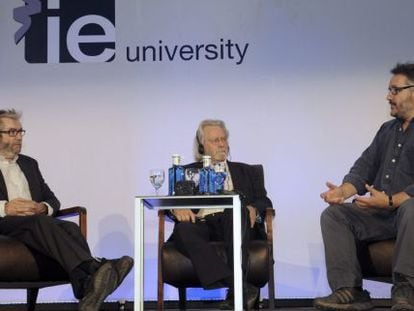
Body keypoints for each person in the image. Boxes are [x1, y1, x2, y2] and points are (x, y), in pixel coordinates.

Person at [0, 109, 133, 311]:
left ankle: (88, 290)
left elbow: (52, 200)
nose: (19, 137)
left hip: (35, 224)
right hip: (5, 224)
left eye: (20, 132)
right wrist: (5, 207)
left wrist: (42, 207)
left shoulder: (29, 164)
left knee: (70, 228)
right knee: (41, 222)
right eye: (12, 132)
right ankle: (95, 268)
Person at [314, 62, 414, 311]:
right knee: (334, 215)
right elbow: (363, 168)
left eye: (394, 90)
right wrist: (343, 191)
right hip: (380, 214)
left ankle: (406, 289)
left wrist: (392, 201)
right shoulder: (387, 130)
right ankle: (350, 290)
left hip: (407, 214)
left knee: (412, 208)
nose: (388, 96)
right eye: (389, 90)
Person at [169, 119, 273, 310]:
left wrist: (254, 209)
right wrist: (176, 208)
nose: (222, 144)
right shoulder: (187, 171)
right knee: (184, 230)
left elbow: (264, 201)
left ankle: (236, 289)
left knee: (235, 211)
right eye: (215, 140)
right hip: (200, 223)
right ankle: (239, 287)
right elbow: (171, 203)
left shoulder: (247, 171)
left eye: (223, 139)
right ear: (202, 145)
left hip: (234, 222)